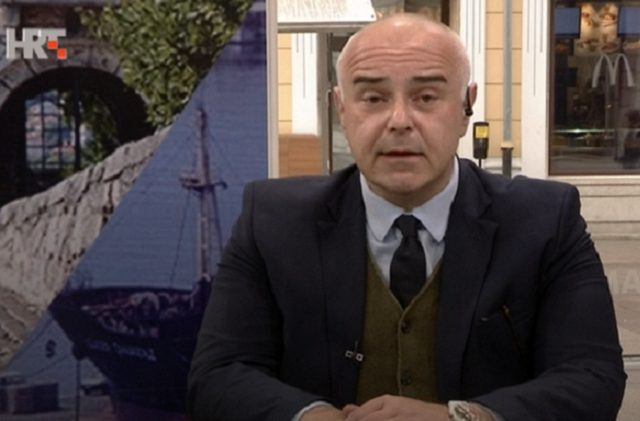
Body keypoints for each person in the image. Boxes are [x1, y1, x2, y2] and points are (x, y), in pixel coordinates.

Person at [187, 14, 626, 421]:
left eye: (427, 97)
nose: (399, 121)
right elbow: (218, 374)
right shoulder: (272, 221)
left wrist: (461, 417)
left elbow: (593, 378)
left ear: (466, 107)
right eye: (373, 98)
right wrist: (312, 416)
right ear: (341, 109)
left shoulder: (546, 221)